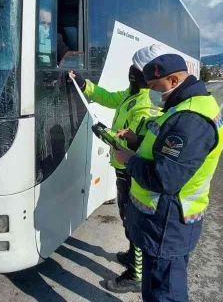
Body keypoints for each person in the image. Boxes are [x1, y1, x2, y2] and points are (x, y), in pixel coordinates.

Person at [112, 53, 223, 302]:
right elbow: (165, 149)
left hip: (168, 223)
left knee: (164, 293)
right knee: (157, 287)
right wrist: (136, 140)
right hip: (164, 221)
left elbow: (165, 179)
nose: (151, 93)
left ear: (173, 80)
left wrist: (129, 160)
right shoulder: (183, 105)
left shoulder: (190, 119)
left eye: (154, 87)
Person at [68, 45, 165, 293]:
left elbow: (133, 140)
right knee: (127, 218)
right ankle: (134, 256)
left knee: (135, 222)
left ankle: (136, 275)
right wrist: (84, 84)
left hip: (132, 170)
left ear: (147, 74)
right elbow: (108, 97)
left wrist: (105, 133)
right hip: (123, 170)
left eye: (136, 68)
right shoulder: (132, 94)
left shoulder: (147, 104)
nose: (131, 72)